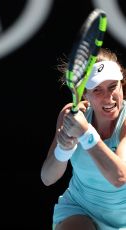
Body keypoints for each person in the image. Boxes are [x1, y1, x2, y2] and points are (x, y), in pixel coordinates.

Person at [40, 48, 126, 230]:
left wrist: (86, 134)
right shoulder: (70, 114)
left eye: (113, 87)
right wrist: (63, 150)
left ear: (121, 85)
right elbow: (47, 177)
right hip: (80, 208)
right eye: (97, 90)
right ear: (83, 94)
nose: (108, 97)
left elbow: (119, 177)